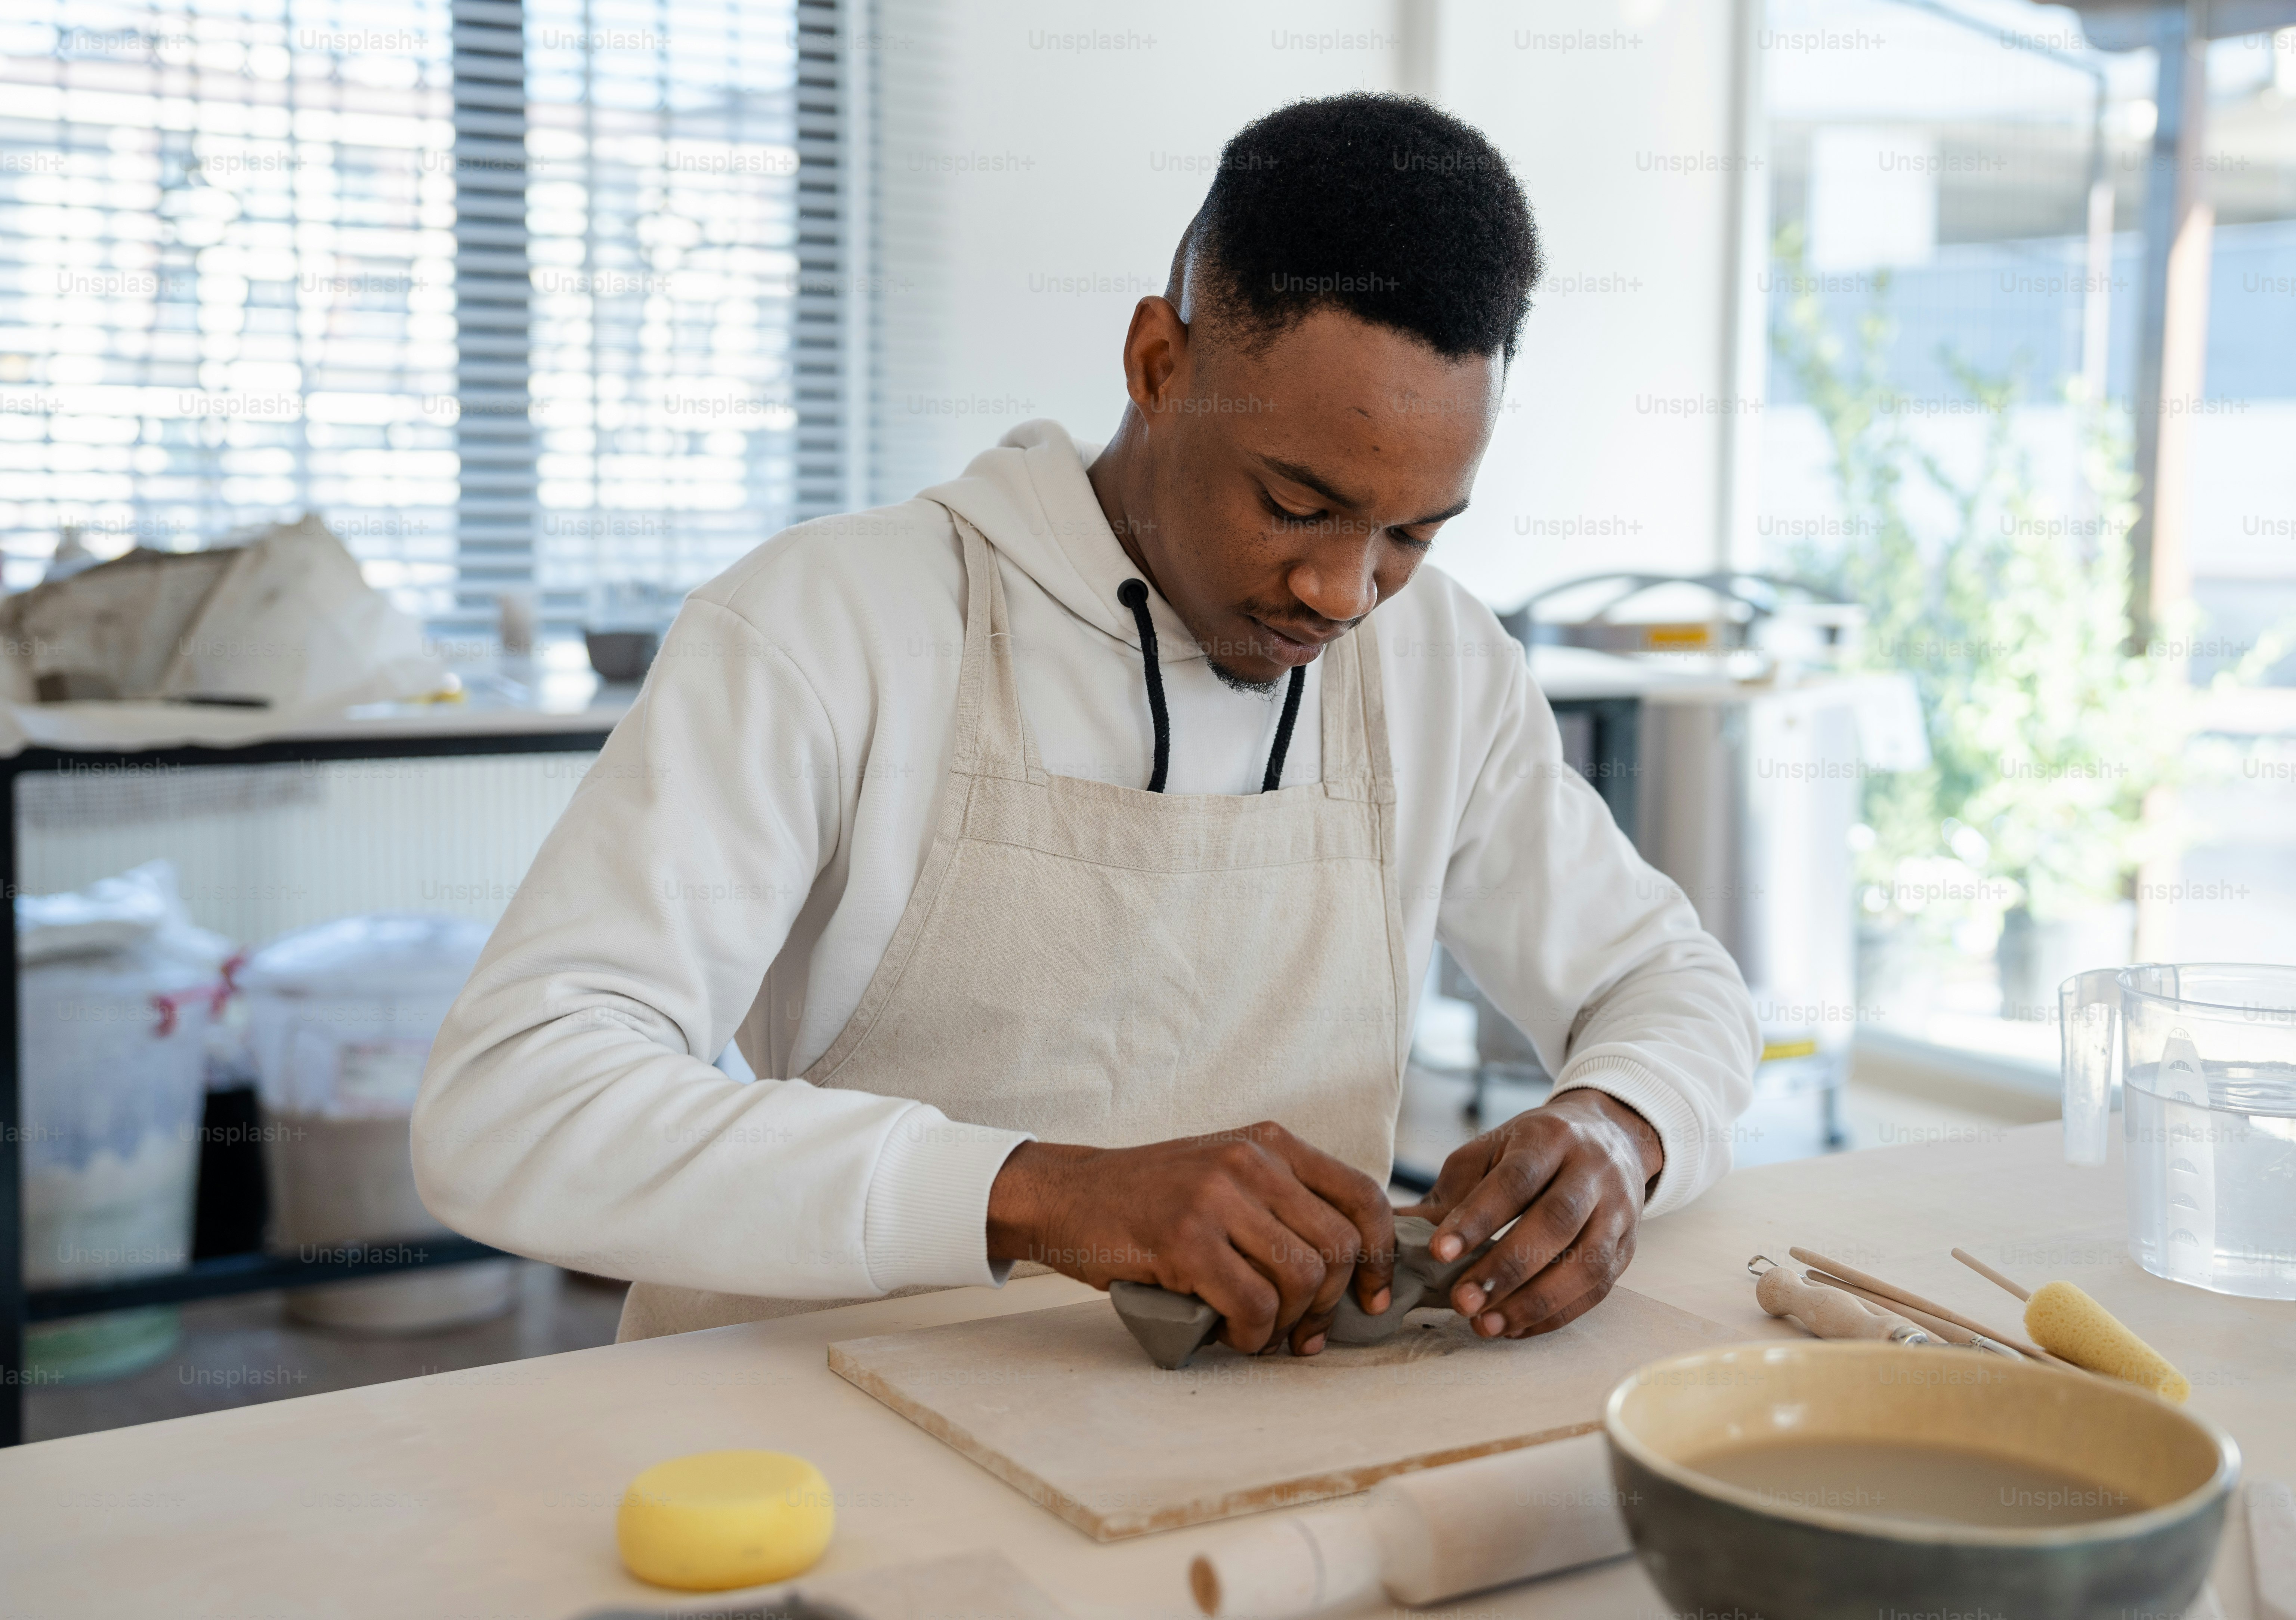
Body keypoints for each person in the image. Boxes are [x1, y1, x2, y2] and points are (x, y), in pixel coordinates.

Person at [416, 92, 1757, 1355]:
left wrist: (1616, 1124)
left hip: (1236, 1457)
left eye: (1411, 531)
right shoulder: (831, 623)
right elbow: (515, 1102)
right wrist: (1037, 1191)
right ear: (1159, 364)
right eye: (1297, 504)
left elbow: (1674, 986)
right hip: (810, 1448)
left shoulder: (1442, 663)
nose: (1343, 593)